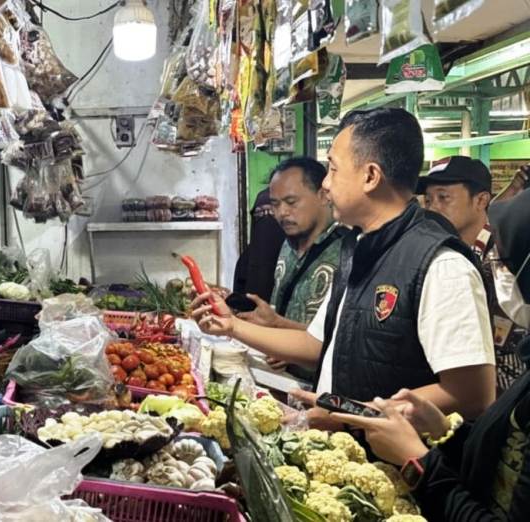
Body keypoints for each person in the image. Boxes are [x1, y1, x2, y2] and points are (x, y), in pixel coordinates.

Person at [191, 107, 496, 424]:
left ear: (370, 176)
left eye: (333, 169)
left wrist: (349, 413)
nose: (325, 184)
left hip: (397, 469)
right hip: (348, 451)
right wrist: (233, 327)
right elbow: (316, 344)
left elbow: (473, 395)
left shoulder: (441, 266)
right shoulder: (359, 249)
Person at [332, 187, 530, 521]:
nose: (499, 272)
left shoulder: (440, 263)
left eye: (506, 261)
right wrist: (443, 432)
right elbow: (502, 457)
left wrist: (416, 460)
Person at [419, 155, 527, 392]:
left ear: (481, 201)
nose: (433, 207)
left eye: (443, 197)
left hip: (512, 406)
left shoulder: (507, 252)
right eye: (428, 200)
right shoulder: (437, 258)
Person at [238, 157, 345, 379]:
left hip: (323, 388)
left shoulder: (348, 252)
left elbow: (343, 339)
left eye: (291, 202)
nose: (282, 213)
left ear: (323, 195)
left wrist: (282, 329)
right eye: (275, 204)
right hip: (284, 380)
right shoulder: (286, 245)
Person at [232, 188, 286, 302]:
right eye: (259, 213)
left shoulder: (295, 258)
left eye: (271, 212)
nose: (265, 218)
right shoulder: (245, 260)